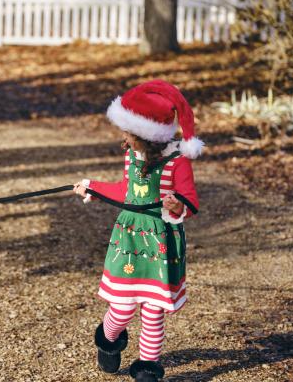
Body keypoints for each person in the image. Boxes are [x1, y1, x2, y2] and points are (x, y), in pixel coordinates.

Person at [73, 80, 202, 382]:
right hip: (128, 239)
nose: (124, 138)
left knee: (153, 310)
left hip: (162, 242)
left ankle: (147, 369)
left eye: (129, 133)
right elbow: (125, 191)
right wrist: (93, 187)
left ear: (147, 135)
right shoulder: (132, 156)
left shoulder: (178, 161)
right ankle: (108, 339)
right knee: (121, 308)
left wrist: (175, 206)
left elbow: (190, 200)